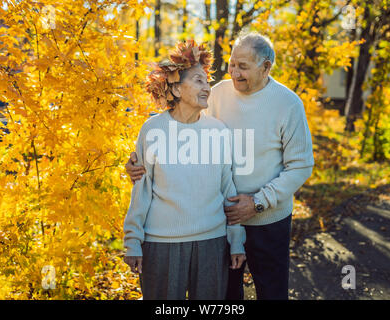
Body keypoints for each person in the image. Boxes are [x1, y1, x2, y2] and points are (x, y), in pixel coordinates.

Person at [126, 32, 314, 300]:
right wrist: (137, 162)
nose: (234, 73)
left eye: (243, 67)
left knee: (272, 293)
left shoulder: (288, 104)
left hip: (268, 220)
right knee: (226, 297)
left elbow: (301, 165)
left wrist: (259, 201)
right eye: (232, 64)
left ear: (266, 67)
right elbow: (181, 131)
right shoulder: (215, 95)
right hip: (222, 220)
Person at [123, 40, 246, 300]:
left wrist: (236, 239)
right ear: (177, 90)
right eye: (199, 81)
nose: (207, 87)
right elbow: (142, 189)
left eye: (207, 81)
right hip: (161, 244)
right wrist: (133, 239)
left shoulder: (218, 130)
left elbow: (228, 189)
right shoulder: (153, 129)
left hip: (212, 243)